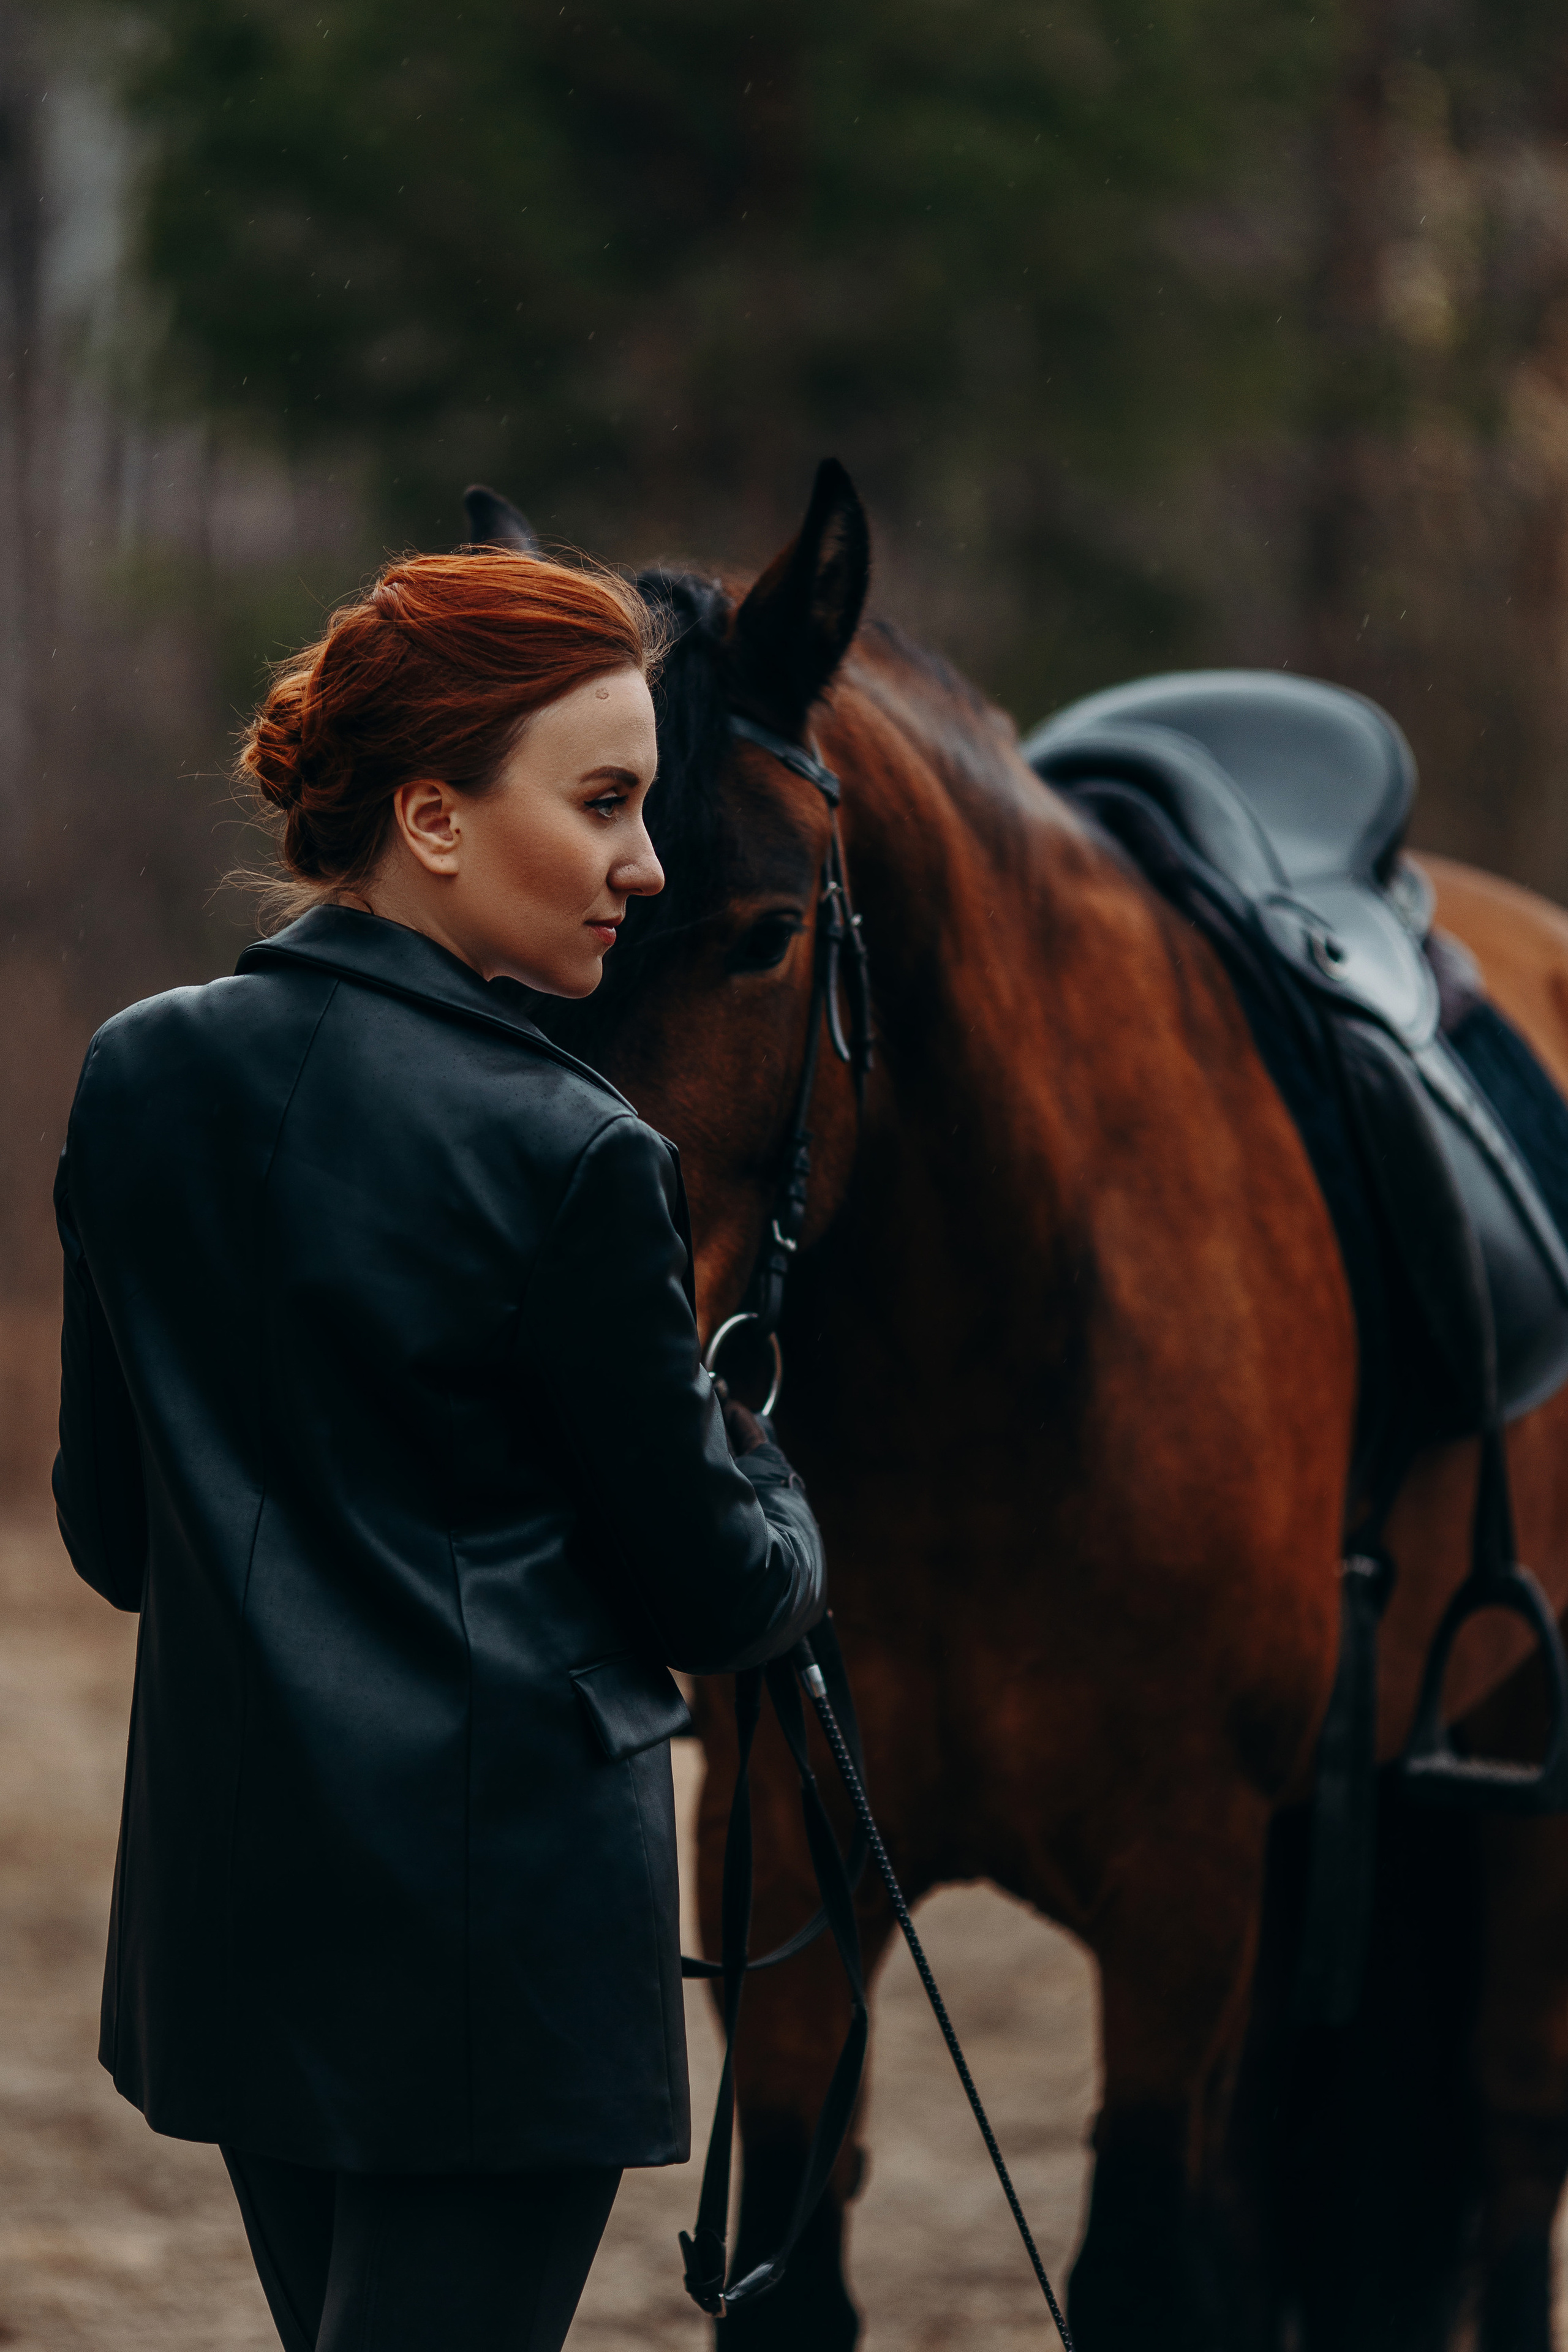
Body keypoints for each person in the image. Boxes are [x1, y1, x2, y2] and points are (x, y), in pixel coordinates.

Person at [51, 548, 826, 2351]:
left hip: (238, 1917)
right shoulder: (574, 1152)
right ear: (434, 818)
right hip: (498, 1955)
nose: (651, 862)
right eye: (606, 802)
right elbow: (717, 1593)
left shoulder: (138, 1075)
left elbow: (114, 1535)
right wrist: (776, 1485)